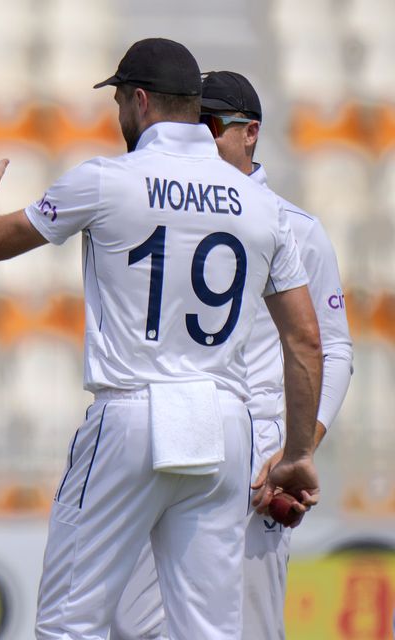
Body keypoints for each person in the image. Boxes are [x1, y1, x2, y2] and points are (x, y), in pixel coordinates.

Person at [0, 38, 323, 639]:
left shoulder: (106, 180)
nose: (120, 113)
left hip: (132, 412)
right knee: (210, 631)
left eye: (120, 99)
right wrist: (298, 453)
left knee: (70, 622)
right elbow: (304, 340)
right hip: (224, 422)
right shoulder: (259, 203)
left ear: (140, 100)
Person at [110, 70, 354, 640]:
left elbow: (334, 345)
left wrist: (299, 447)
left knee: (251, 623)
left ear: (252, 134)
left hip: (261, 445)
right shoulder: (164, 210)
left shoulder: (296, 228)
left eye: (214, 124)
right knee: (129, 619)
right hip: (179, 428)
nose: (201, 135)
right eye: (195, 123)